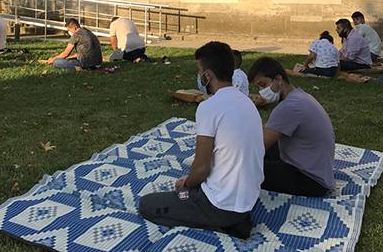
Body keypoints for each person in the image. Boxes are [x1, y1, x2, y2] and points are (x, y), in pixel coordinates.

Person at [139, 42, 263, 238]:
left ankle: (220, 223)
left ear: (208, 75)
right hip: (248, 198)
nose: (199, 76)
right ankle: (230, 220)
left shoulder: (209, 107)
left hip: (220, 204)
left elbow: (201, 169)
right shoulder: (247, 102)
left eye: (199, 71)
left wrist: (187, 182)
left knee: (147, 204)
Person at [248, 57, 335, 197]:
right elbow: (268, 132)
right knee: (262, 152)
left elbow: (258, 146)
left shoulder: (288, 107)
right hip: (318, 171)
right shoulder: (299, 96)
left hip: (310, 181)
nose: (261, 91)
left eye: (263, 85)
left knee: (245, 169)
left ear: (278, 79)